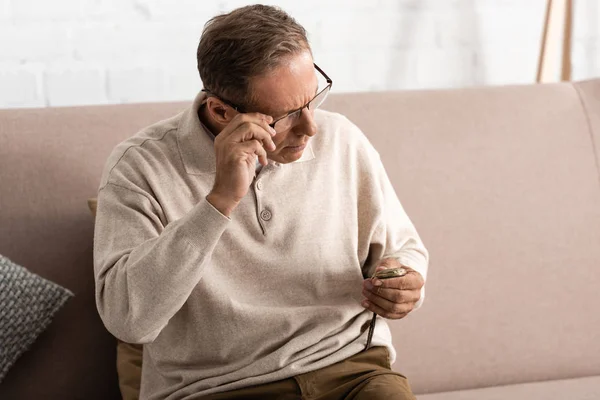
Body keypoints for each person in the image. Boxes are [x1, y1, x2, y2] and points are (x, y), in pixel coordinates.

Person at [93, 4, 428, 400]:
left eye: (312, 99)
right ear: (221, 112)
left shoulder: (343, 141)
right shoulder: (141, 167)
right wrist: (218, 202)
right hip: (215, 388)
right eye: (286, 115)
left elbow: (403, 248)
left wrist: (405, 280)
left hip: (350, 371)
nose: (311, 127)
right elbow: (129, 321)